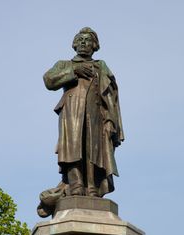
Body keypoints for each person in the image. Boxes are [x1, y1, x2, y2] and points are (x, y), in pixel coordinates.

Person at [43, 27, 124, 200]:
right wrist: (73, 72)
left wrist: (110, 120)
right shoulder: (65, 64)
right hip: (71, 111)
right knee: (73, 147)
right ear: (73, 44)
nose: (83, 43)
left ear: (95, 46)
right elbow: (49, 80)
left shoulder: (100, 66)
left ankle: (92, 186)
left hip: (96, 114)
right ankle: (76, 184)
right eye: (79, 39)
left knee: (94, 149)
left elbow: (110, 97)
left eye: (87, 40)